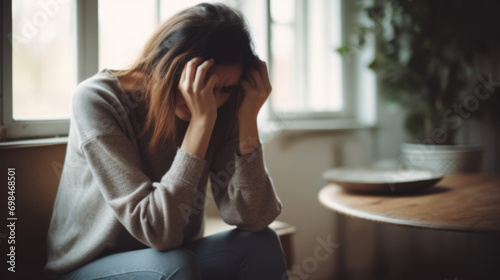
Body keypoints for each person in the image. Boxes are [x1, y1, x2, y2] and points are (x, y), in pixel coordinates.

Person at [44, 2, 287, 279]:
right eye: (202, 82)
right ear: (166, 64)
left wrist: (248, 119)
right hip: (89, 267)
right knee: (175, 263)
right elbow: (158, 231)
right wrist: (201, 123)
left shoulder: (222, 105)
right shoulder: (97, 100)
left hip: (172, 256)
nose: (210, 99)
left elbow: (254, 217)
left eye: (226, 89)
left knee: (262, 242)